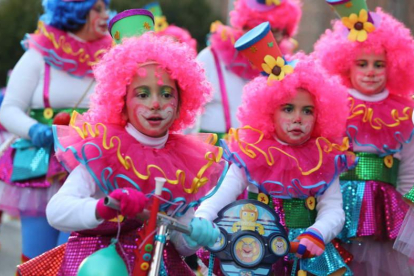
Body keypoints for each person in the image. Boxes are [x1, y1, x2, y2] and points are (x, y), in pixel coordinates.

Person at [17, 9, 224, 276]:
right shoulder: (104, 149)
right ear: (121, 100)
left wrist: (197, 233)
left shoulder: (183, 161)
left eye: (166, 93)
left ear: (182, 101)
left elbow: (180, 244)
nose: (156, 104)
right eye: (142, 93)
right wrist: (104, 206)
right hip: (97, 262)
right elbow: (57, 212)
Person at [196, 22, 353, 276]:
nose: (298, 118)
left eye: (308, 111)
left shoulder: (325, 157)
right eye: (288, 109)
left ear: (321, 114)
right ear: (268, 110)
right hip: (256, 250)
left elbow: (334, 209)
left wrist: (317, 232)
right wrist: (203, 217)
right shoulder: (252, 154)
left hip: (305, 252)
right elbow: (223, 192)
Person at [0, 0, 113, 263]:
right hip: (41, 165)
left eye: (106, 7)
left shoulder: (111, 57)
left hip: (89, 165)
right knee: (37, 258)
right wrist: (37, 130)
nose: (106, 15)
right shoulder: (39, 52)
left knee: (72, 257)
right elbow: (9, 109)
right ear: (76, 10)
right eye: (97, 8)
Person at [313, 1, 414, 275]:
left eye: (379, 64)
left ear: (393, 66)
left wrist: (408, 206)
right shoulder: (334, 102)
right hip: (339, 201)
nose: (370, 71)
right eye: (362, 63)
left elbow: (408, 165)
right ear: (345, 65)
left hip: (385, 208)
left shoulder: (404, 111)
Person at [194, 0, 302, 140]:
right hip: (213, 151)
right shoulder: (210, 58)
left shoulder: (285, 68)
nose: (264, 40)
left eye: (274, 32)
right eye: (257, 31)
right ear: (244, 28)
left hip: (262, 152)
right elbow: (188, 112)